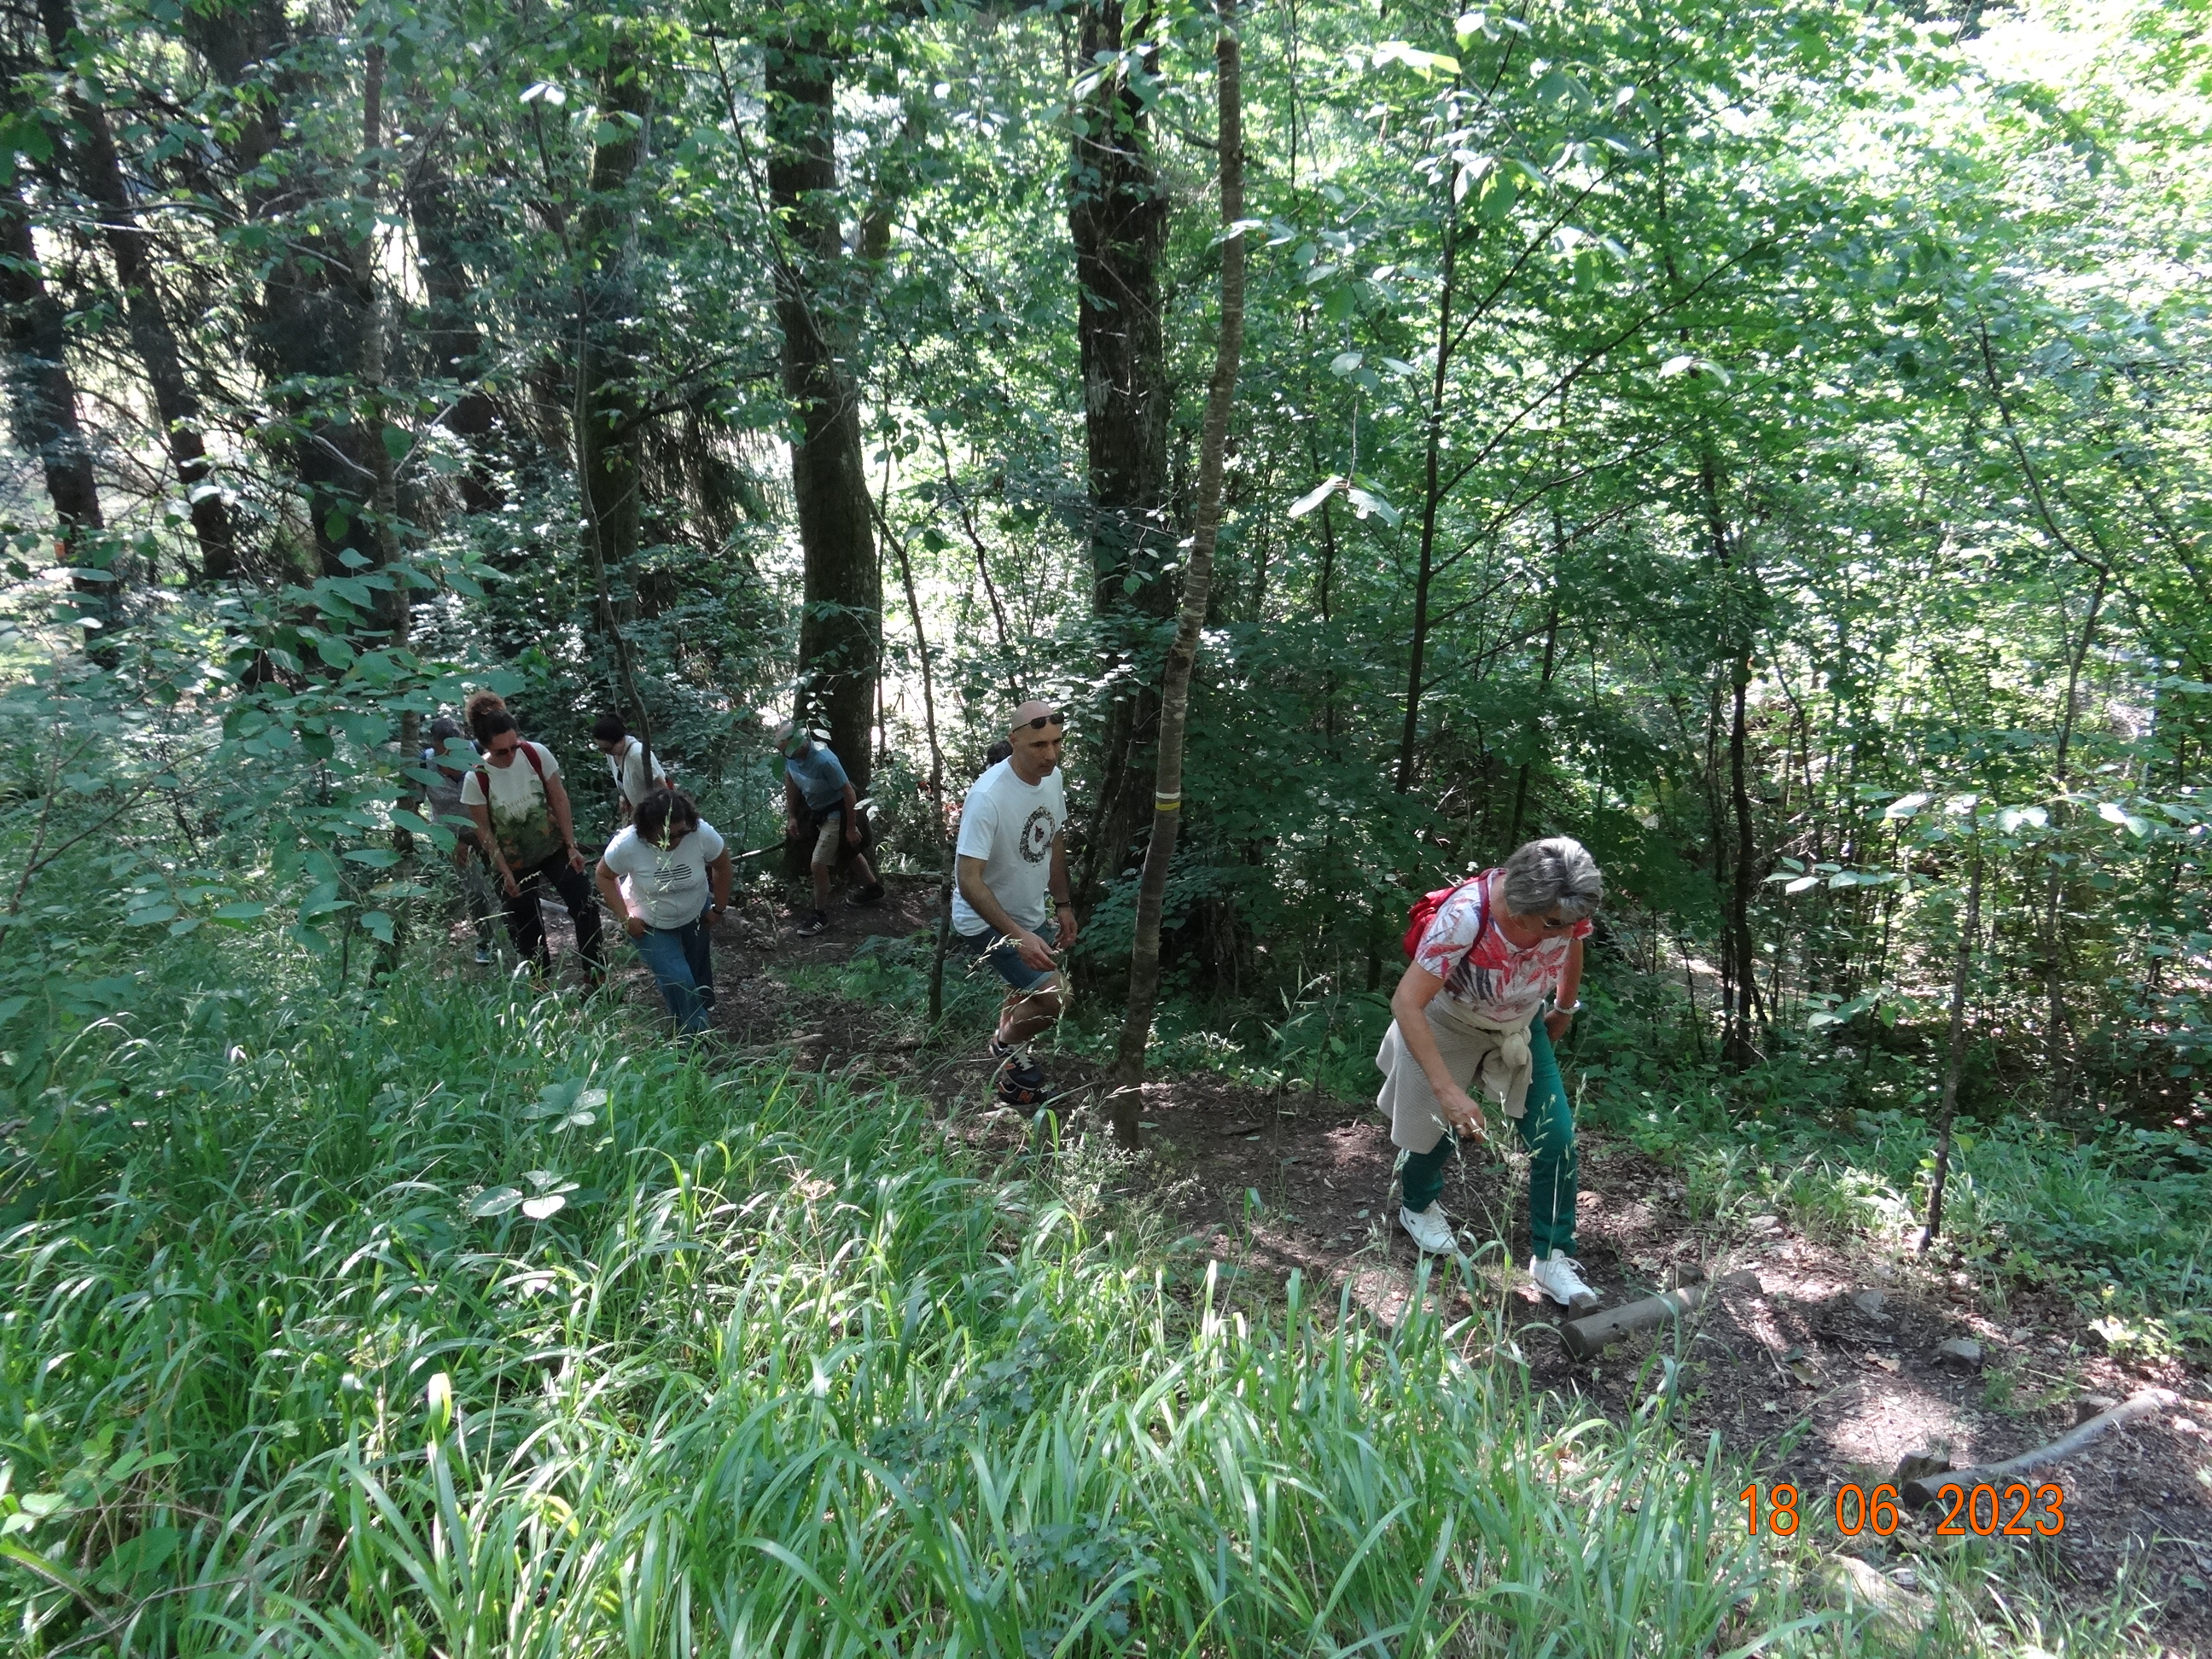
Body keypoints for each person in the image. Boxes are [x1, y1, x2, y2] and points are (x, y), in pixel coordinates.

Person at [1376, 835, 1604, 1313]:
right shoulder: (1465, 917)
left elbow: (1573, 946)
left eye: (1571, 922)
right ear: (1521, 905)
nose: (1563, 931)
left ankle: (1553, 1256)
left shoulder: (1564, 910)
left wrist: (1563, 1006)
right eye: (1551, 924)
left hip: (1520, 1024)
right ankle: (1417, 1205)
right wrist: (1449, 1091)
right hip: (1448, 1021)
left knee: (1556, 1138)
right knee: (1436, 1130)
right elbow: (1406, 1001)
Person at [952, 701, 1077, 1109]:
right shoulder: (987, 796)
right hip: (984, 918)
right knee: (1055, 995)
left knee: (1022, 993)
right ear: (1015, 741)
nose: (1051, 754)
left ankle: (1013, 1072)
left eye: (1057, 743)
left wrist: (1063, 903)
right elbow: (968, 880)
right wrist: (1018, 936)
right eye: (1039, 745)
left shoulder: (1052, 778)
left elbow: (1054, 839)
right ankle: (1005, 1048)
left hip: (1028, 909)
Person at [461, 711, 604, 983]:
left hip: (552, 847)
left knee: (585, 903)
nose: (510, 755)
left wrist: (572, 846)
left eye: (514, 747)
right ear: (486, 747)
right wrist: (504, 872)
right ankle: (540, 983)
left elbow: (559, 798)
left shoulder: (536, 754)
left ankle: (596, 974)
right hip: (512, 860)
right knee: (526, 925)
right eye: (501, 751)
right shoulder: (476, 778)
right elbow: (485, 832)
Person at [595, 789, 730, 1037]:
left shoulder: (701, 833)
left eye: (680, 833)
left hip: (694, 913)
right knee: (678, 979)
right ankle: (695, 1039)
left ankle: (698, 1008)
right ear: (647, 831)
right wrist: (625, 918)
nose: (675, 841)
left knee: (697, 968)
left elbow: (722, 864)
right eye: (666, 835)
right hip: (648, 921)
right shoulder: (628, 844)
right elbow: (603, 875)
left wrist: (718, 908)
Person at [773, 719, 885, 935]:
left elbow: (848, 792)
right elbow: (791, 781)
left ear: (800, 743)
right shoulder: (791, 758)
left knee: (818, 864)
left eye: (788, 750)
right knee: (849, 853)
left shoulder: (825, 761)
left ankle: (819, 915)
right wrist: (792, 816)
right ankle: (873, 888)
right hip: (816, 811)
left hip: (838, 811)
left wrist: (851, 828)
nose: (787, 756)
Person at [421, 715, 497, 965]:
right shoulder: (424, 765)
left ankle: (521, 933)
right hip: (453, 837)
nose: (454, 757)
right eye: (447, 752)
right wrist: (449, 841)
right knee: (475, 891)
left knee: (505, 880)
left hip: (489, 829)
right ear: (435, 747)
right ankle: (486, 941)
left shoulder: (478, 753)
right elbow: (411, 810)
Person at [592, 710, 670, 828]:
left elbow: (662, 788)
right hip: (638, 814)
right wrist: (624, 796)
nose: (604, 753)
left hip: (655, 814)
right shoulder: (612, 754)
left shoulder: (637, 755)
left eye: (607, 749)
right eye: (601, 749)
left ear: (621, 740)